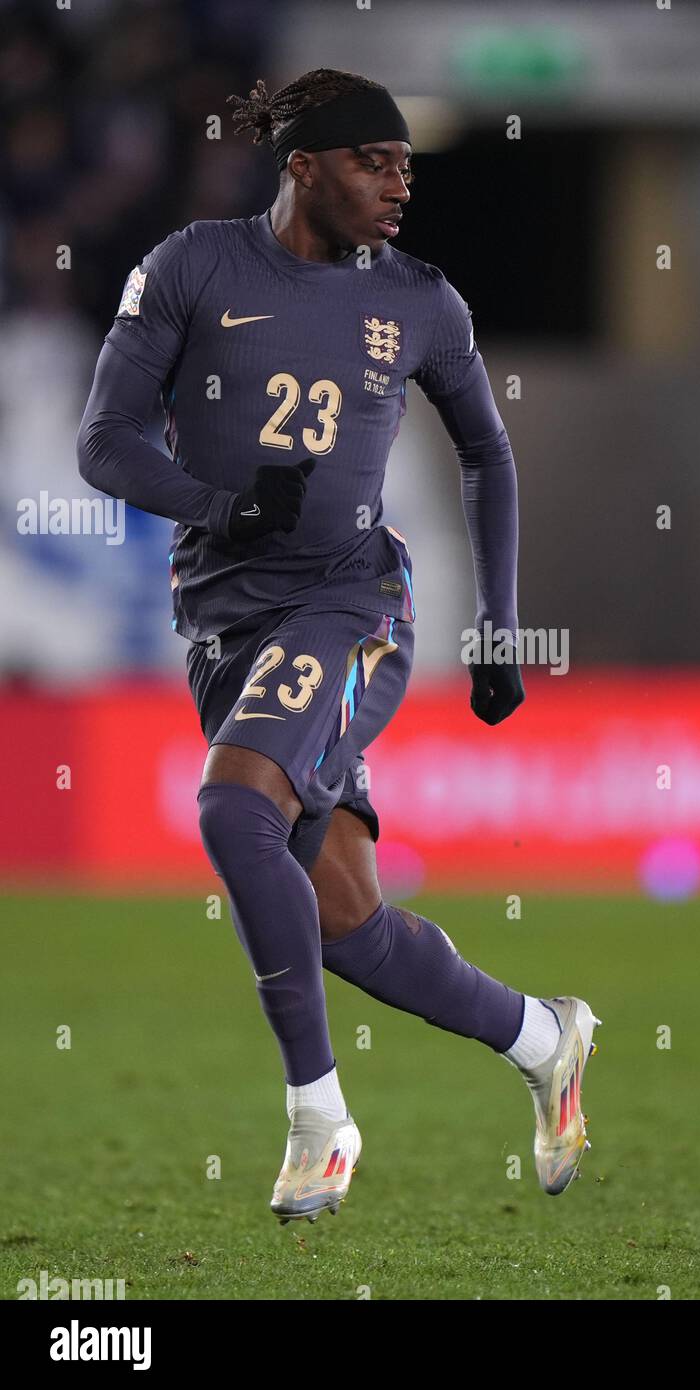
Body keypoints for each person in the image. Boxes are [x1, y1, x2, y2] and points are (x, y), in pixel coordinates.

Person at [76, 68, 599, 1223]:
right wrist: (222, 505)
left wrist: (498, 623)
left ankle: (320, 1117)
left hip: (353, 602)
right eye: (376, 161)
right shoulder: (188, 268)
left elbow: (486, 453)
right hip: (223, 624)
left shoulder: (421, 301)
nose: (400, 183)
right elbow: (104, 443)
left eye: (408, 164)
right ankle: (543, 1036)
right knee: (345, 920)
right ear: (303, 165)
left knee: (230, 808)